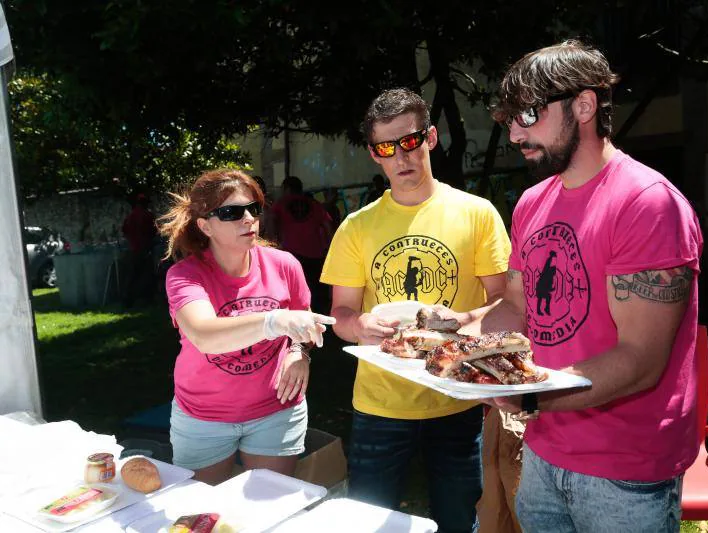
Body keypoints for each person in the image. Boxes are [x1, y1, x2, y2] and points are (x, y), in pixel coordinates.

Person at [459, 40, 703, 532]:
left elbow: (640, 363)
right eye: (509, 118)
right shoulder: (532, 202)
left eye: (528, 113)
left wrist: (528, 396)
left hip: (625, 473)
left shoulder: (647, 203)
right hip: (545, 450)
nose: (514, 133)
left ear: (585, 105)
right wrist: (446, 338)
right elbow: (516, 306)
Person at [320, 88, 511, 533]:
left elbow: (504, 304)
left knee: (458, 519)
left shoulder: (477, 213)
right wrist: (360, 325)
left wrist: (464, 329)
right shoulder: (356, 226)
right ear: (374, 155)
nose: (401, 157)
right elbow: (342, 315)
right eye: (387, 148)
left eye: (409, 142)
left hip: (456, 400)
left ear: (430, 137)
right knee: (370, 522)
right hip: (379, 405)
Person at [158, 169, 335, 485]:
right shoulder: (185, 276)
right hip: (203, 417)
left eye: (254, 208)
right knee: (202, 513)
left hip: (275, 412)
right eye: (231, 212)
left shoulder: (284, 265)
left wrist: (299, 353)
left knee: (268, 509)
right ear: (204, 225)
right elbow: (204, 334)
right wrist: (274, 321)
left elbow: (305, 324)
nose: (249, 219)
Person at [271, 176, 334, 312]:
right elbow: (327, 224)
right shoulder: (313, 203)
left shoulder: (281, 203)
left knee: (295, 292)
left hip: (292, 254)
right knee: (318, 291)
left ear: (287, 188)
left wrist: (275, 243)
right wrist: (329, 246)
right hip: (316, 254)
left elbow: (272, 224)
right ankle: (322, 318)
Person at [122, 192, 157, 307]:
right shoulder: (148, 215)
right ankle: (147, 299)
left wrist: (131, 241)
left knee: (132, 275)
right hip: (145, 249)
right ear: (145, 204)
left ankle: (128, 300)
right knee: (147, 274)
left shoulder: (130, 216)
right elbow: (154, 231)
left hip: (133, 249)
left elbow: (124, 231)